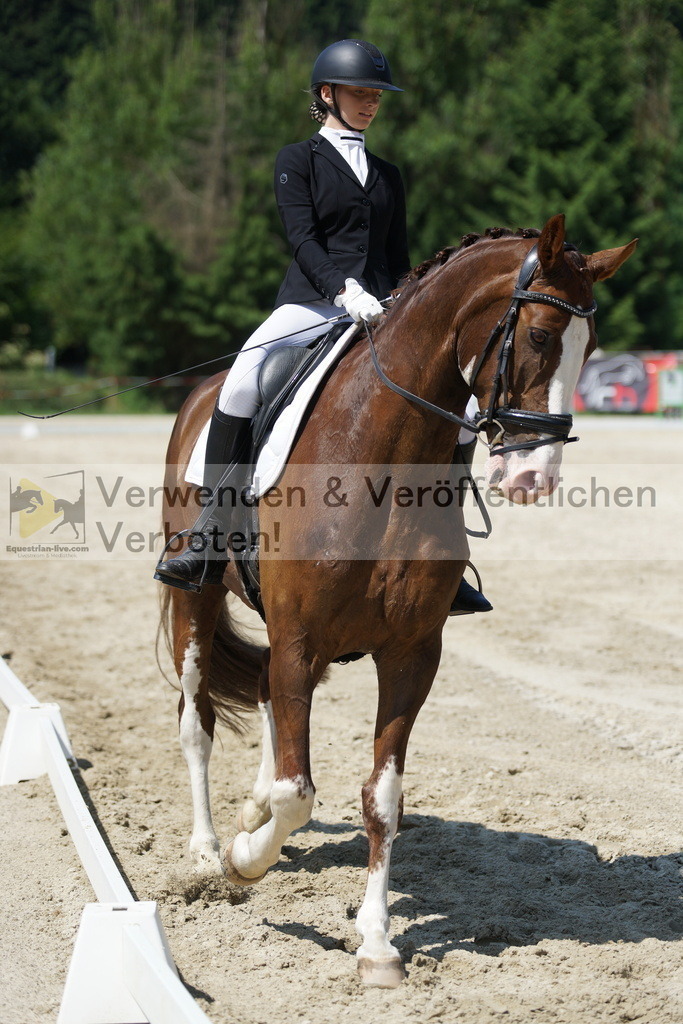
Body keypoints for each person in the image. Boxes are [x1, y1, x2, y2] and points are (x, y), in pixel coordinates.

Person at [155, 39, 491, 616]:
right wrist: (344, 290)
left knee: (458, 413)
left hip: (381, 311)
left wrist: (399, 302)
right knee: (242, 381)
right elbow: (303, 241)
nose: (371, 103)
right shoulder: (298, 160)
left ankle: (442, 544)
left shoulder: (388, 175)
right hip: (312, 303)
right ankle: (212, 531)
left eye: (377, 95)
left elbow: (400, 253)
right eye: (361, 93)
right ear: (327, 94)